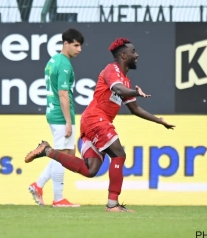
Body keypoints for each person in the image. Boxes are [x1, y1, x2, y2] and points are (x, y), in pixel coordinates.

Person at [25, 37, 175, 212]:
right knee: (119, 154)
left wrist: (159, 121)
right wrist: (135, 92)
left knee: (91, 170)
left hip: (92, 121)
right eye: (134, 52)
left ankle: (47, 150)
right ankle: (112, 204)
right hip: (97, 119)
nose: (137, 55)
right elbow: (118, 89)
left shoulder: (125, 81)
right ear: (124, 55)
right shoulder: (112, 70)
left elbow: (134, 109)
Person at [28, 28, 84, 207]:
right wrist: (68, 121)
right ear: (65, 43)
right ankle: (58, 198)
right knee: (62, 155)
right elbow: (63, 94)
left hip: (53, 112)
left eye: (80, 46)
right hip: (61, 115)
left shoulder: (53, 61)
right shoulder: (65, 64)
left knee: (66, 154)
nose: (79, 49)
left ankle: (38, 185)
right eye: (76, 45)